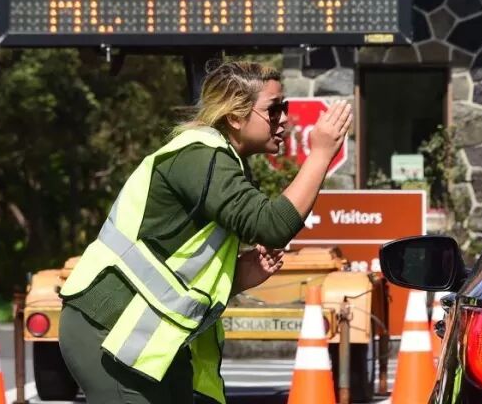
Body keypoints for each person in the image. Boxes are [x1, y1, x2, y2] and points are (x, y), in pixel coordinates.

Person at [58, 59, 353, 404]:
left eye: (284, 108)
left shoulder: (222, 161)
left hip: (146, 339)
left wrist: (239, 275)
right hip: (107, 328)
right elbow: (272, 225)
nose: (285, 119)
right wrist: (321, 155)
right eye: (274, 109)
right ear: (235, 117)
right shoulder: (199, 156)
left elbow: (178, 271)